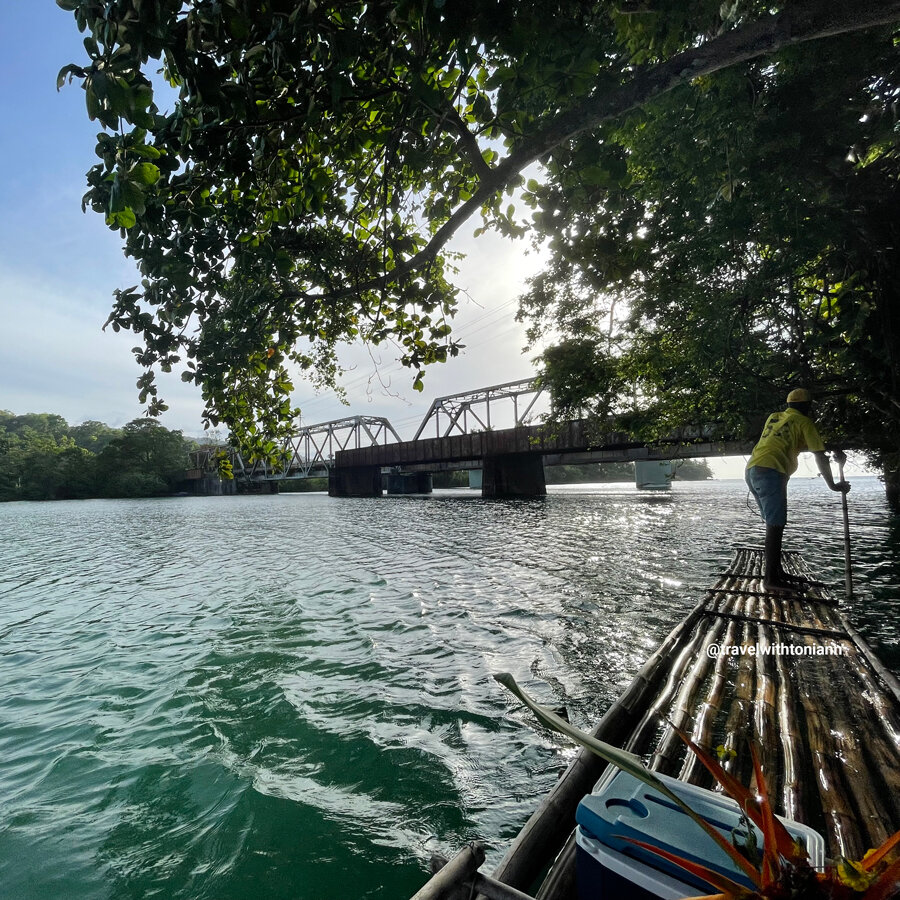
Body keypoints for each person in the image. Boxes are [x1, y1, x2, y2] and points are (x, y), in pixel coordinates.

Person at [745, 388, 850, 591]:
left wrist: (832, 446)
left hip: (752, 469)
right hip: (771, 471)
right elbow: (819, 455)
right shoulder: (805, 422)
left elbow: (803, 443)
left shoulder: (775, 417)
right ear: (807, 406)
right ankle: (770, 581)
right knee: (775, 525)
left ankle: (776, 572)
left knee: (773, 524)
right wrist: (833, 485)